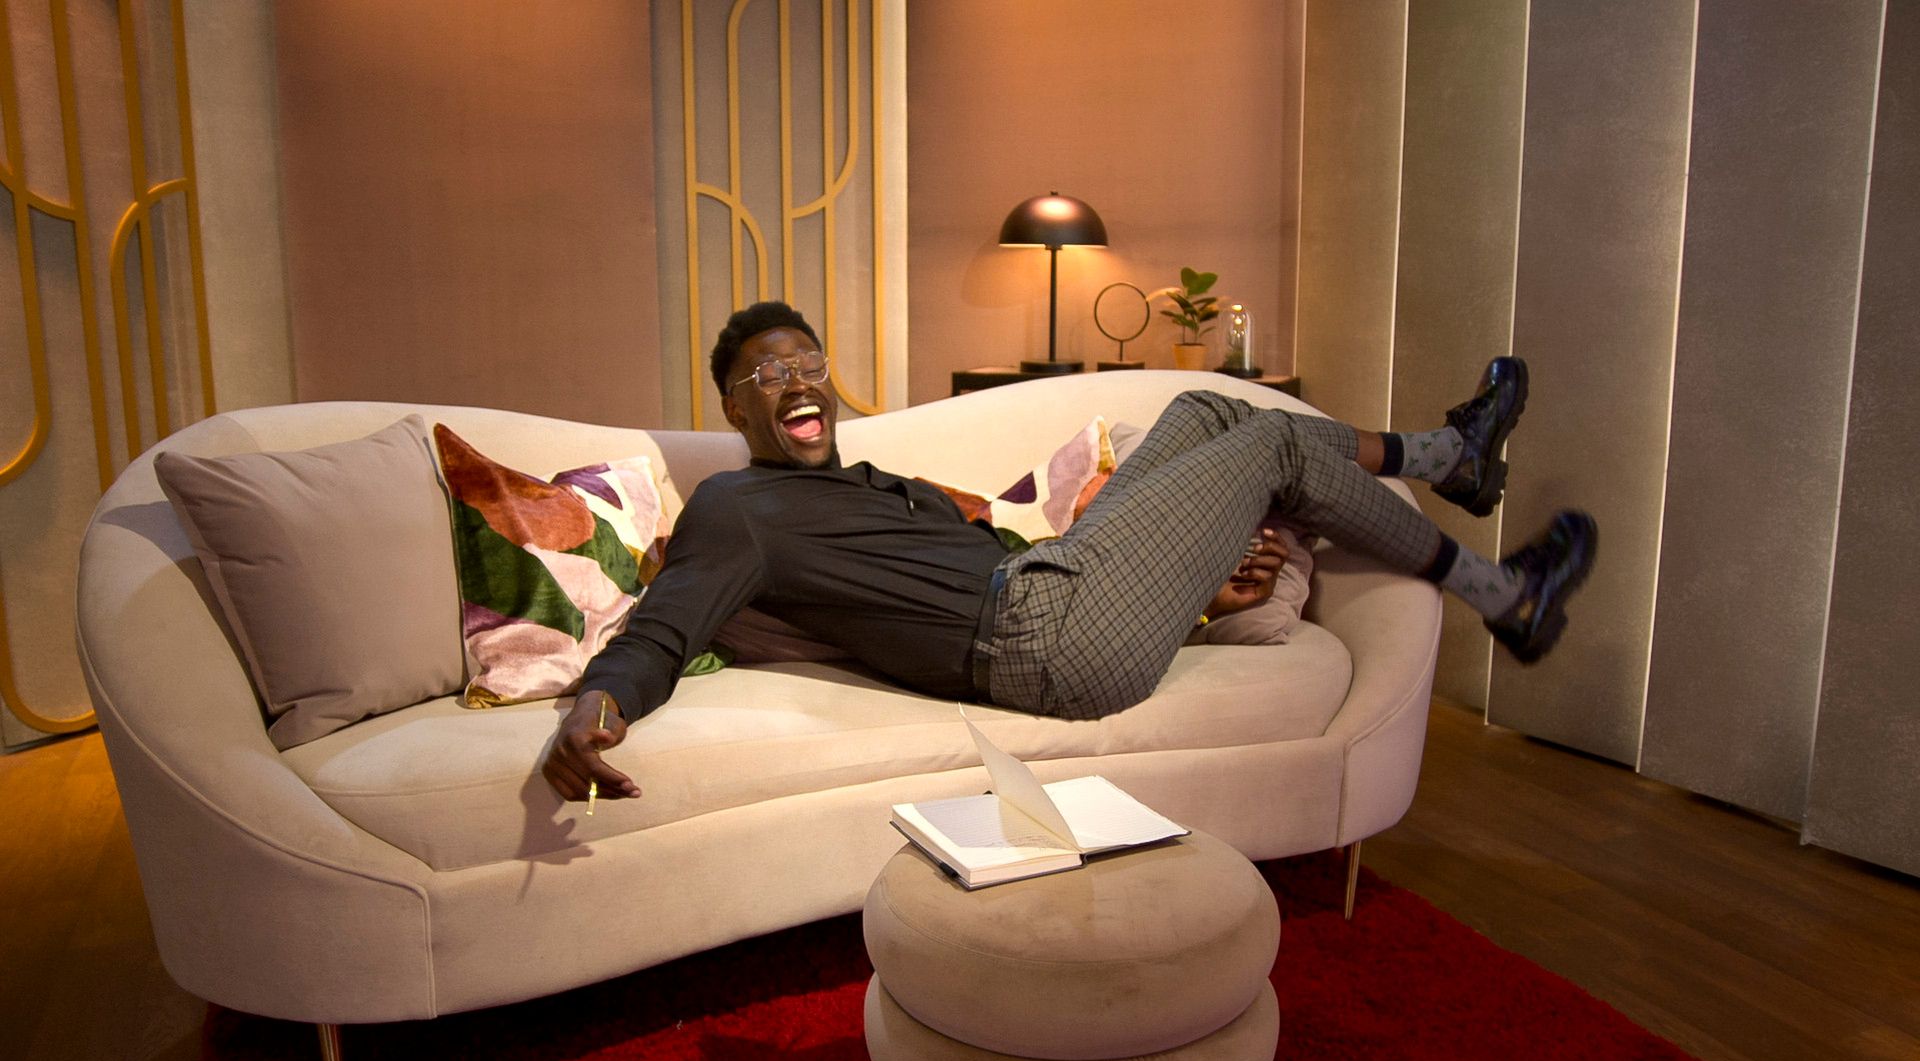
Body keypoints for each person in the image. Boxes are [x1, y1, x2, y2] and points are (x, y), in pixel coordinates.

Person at [540, 302, 1595, 802]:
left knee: (1201, 406)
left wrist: (1185, 588)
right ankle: (1500, 584)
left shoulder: (878, 487)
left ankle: (1454, 457)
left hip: (1065, 586)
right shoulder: (740, 506)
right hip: (1038, 642)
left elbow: (1017, 552)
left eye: (808, 364)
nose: (797, 383)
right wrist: (601, 707)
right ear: (733, 406)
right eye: (768, 377)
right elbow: (665, 630)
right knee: (1271, 433)